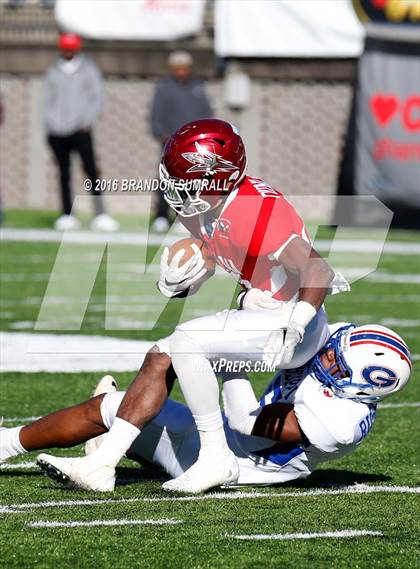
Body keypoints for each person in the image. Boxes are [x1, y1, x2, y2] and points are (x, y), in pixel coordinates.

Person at [25, 118, 350, 493]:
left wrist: (298, 321)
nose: (177, 189)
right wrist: (185, 279)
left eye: (186, 181)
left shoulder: (253, 207)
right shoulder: (209, 205)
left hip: (292, 323)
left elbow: (317, 269)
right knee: (161, 356)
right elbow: (218, 256)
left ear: (216, 176)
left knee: (187, 341)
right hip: (260, 312)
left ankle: (215, 458)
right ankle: (102, 463)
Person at [0, 323, 411, 490]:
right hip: (221, 433)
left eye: (335, 362)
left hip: (232, 461)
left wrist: (228, 361)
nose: (325, 355)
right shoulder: (339, 344)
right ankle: (13, 443)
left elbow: (247, 421)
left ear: (357, 386)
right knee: (117, 405)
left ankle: (109, 448)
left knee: (114, 407)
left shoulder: (340, 421)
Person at [44, 33, 119, 232]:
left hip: (81, 129)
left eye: (71, 47)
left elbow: (96, 97)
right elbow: (47, 101)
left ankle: (100, 213)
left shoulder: (88, 69)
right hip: (58, 131)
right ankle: (67, 214)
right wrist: (51, 125)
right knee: (63, 172)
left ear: (77, 48)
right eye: (65, 47)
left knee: (91, 171)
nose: (68, 51)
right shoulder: (53, 70)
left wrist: (87, 121)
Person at [150, 51, 212, 232]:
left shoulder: (198, 87)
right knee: (167, 179)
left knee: (193, 180)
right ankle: (161, 216)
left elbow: (206, 113)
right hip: (171, 142)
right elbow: (156, 114)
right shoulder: (164, 88)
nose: (181, 72)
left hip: (194, 144)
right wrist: (161, 133)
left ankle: (186, 217)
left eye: (184, 69)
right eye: (177, 69)